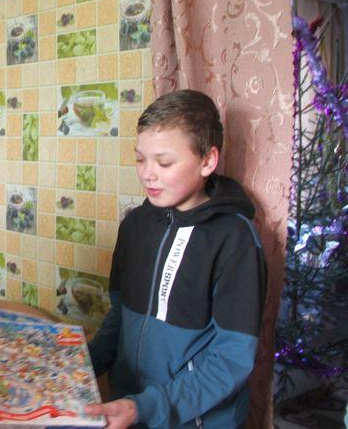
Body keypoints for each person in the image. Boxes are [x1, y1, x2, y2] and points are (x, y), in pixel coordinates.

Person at [85, 90, 267, 428]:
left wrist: (148, 407)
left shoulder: (235, 239)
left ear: (207, 161)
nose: (147, 174)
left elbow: (231, 359)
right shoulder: (135, 225)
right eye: (140, 159)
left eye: (164, 163)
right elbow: (121, 315)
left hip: (195, 420)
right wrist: (84, 365)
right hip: (129, 408)